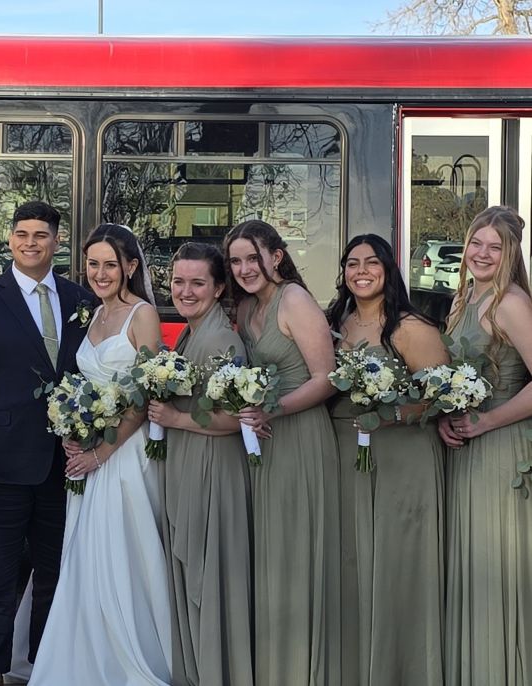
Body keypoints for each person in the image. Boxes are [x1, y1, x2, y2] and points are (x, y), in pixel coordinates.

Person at [0, 202, 92, 686]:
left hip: (65, 464)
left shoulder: (80, 299)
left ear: (56, 241)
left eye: (41, 235)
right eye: (22, 234)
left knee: (53, 574)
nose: (31, 242)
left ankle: (43, 668)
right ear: (10, 240)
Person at [27, 223, 171, 686]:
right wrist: (72, 430)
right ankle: (86, 657)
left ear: (130, 267)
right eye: (93, 264)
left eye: (111, 264)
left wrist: (101, 453)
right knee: (85, 556)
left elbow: (146, 393)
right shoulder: (92, 314)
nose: (101, 273)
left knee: (123, 557)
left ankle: (129, 659)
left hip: (124, 459)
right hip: (89, 457)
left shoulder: (142, 314)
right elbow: (85, 388)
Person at [327, 235, 447, 686]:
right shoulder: (334, 322)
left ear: (388, 268)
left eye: (371, 262)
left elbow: (441, 398)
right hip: (346, 454)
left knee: (398, 566)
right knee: (353, 565)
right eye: (352, 262)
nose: (361, 270)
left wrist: (393, 413)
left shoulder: (411, 327)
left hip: (401, 458)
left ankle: (403, 669)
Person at [226, 219, 341, 685]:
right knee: (268, 553)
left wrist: (273, 410)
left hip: (298, 437)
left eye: (253, 257)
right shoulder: (249, 304)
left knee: (294, 553)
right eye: (235, 260)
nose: (243, 268)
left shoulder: (294, 299)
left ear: (276, 256)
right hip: (264, 440)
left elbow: (326, 377)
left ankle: (299, 670)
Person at [147, 243, 254, 686]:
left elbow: (239, 418)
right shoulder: (191, 333)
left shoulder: (223, 340)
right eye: (178, 281)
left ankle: (213, 673)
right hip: (190, 459)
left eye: (197, 283)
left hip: (213, 465)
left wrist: (175, 418)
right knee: (190, 571)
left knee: (207, 575)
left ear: (218, 287)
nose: (185, 291)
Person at [438, 206, 532, 686]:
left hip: (499, 449)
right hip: (466, 447)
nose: (482, 253)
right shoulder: (464, 300)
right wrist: (444, 420)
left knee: (494, 564)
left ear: (511, 254)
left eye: (495, 247)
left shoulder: (509, 302)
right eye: (476, 242)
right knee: (470, 563)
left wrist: (485, 420)